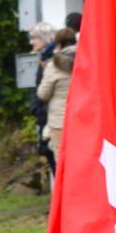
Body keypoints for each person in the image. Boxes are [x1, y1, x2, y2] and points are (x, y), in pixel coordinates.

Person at [37, 27, 76, 162]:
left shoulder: (53, 66)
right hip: (85, 117)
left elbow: (43, 94)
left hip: (60, 121)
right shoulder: (88, 59)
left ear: (58, 45)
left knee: (62, 159)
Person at [26, 21, 59, 181]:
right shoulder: (47, 58)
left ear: (45, 38)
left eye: (35, 38)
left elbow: (44, 90)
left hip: (50, 115)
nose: (31, 42)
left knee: (54, 157)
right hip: (46, 114)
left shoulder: (52, 60)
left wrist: (36, 107)